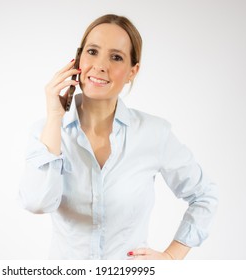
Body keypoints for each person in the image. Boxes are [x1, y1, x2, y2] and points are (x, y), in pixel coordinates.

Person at [18, 14, 218, 260]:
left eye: (116, 57)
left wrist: (171, 257)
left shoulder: (154, 133)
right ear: (78, 59)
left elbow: (204, 195)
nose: (101, 65)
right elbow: (37, 203)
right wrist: (54, 117)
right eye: (92, 52)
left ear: (133, 71)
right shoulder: (47, 131)